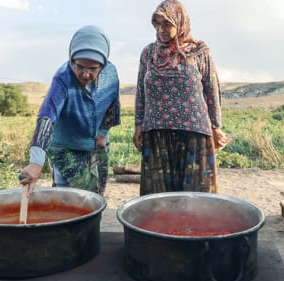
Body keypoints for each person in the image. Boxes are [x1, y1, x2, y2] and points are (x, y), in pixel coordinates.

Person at [132, 0, 229, 195]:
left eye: (167, 23)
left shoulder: (199, 51)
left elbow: (211, 89)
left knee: (196, 196)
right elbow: (141, 91)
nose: (161, 29)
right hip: (156, 132)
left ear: (180, 22)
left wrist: (216, 126)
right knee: (158, 197)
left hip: (194, 131)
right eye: (157, 24)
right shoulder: (149, 53)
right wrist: (138, 125)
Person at [19, 25, 120, 195]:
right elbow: (47, 116)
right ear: (72, 60)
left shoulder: (110, 73)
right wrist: (36, 162)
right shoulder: (63, 78)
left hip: (98, 144)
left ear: (102, 65)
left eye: (93, 68)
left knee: (96, 194)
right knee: (72, 195)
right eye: (80, 66)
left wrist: (102, 133)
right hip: (66, 147)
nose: (85, 74)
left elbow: (112, 104)